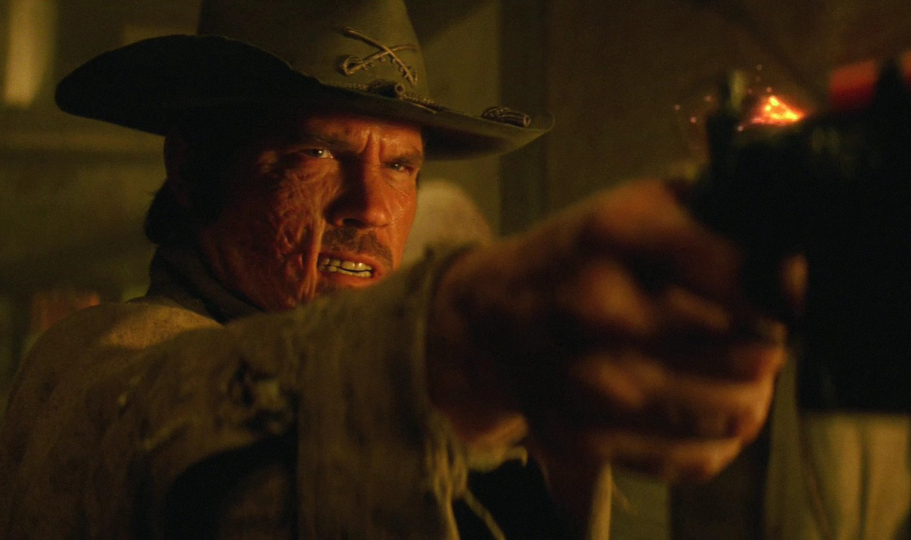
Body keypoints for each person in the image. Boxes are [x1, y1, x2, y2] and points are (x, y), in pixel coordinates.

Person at [0, 0, 791, 538]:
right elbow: (154, 427)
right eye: (317, 153)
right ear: (191, 168)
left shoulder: (479, 419)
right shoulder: (96, 364)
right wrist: (464, 335)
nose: (371, 208)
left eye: (402, 166)